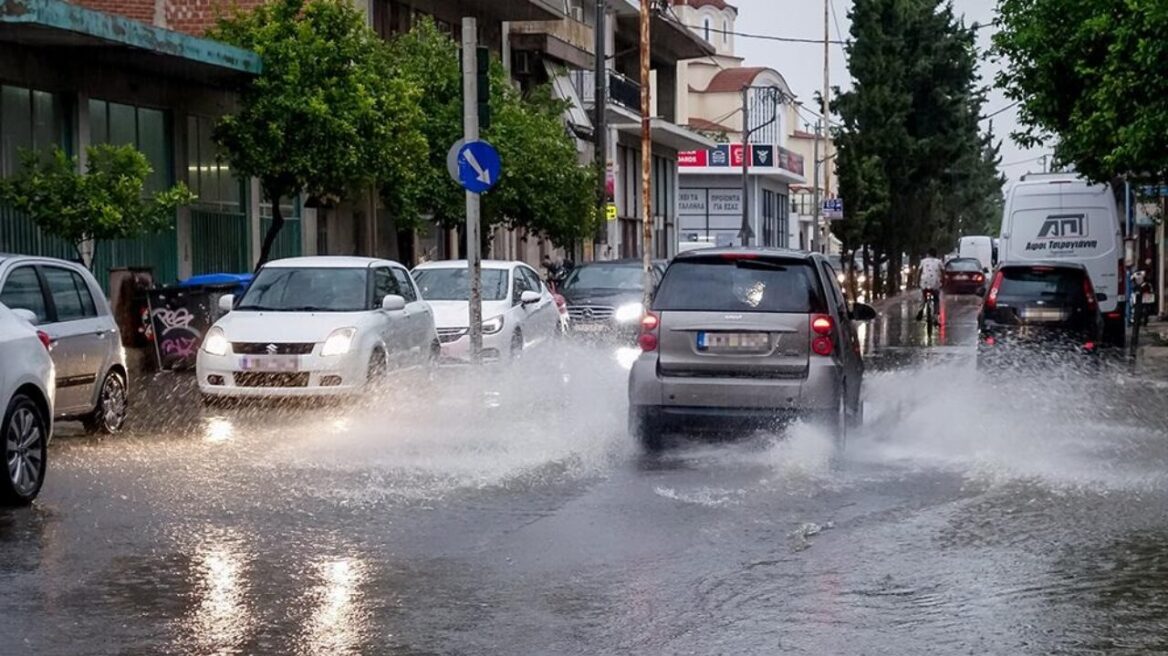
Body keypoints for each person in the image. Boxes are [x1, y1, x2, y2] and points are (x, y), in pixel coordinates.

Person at [916, 248, 944, 322]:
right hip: (935, 283)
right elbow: (943, 272)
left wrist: (917, 282)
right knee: (936, 299)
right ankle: (935, 315)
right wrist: (943, 281)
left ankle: (920, 310)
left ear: (928, 254)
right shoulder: (939, 262)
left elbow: (919, 272)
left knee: (923, 297)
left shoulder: (923, 261)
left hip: (924, 282)